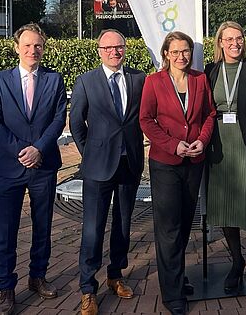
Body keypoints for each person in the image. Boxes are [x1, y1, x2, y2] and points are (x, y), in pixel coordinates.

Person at [0, 23, 67, 315]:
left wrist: (38, 149)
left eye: (38, 46)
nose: (33, 50)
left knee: (42, 226)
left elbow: (58, 119)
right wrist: (22, 150)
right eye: (28, 45)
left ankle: (38, 276)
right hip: (10, 166)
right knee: (6, 229)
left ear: (43, 48)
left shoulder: (54, 80)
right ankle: (6, 287)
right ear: (17, 48)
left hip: (43, 165)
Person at [69, 29, 146, 315]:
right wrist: (89, 153)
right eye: (108, 48)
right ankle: (88, 288)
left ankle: (116, 275)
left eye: (119, 47)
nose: (115, 52)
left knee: (123, 224)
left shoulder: (138, 79)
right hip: (97, 167)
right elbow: (76, 123)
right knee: (93, 227)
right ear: (100, 51)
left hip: (129, 164)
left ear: (125, 48)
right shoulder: (86, 81)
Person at [139, 31, 216, 315]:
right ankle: (172, 295)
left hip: (194, 161)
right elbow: (146, 120)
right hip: (166, 163)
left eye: (185, 51)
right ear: (166, 54)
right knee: (169, 227)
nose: (181, 56)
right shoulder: (154, 82)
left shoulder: (200, 79)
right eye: (175, 52)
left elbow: (210, 114)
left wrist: (202, 141)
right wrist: (174, 145)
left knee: (184, 224)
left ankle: (176, 276)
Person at [204, 21, 246, 305]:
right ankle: (237, 262)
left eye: (239, 38)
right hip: (219, 147)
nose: (235, 43)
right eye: (229, 39)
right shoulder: (210, 70)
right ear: (220, 42)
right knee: (225, 210)